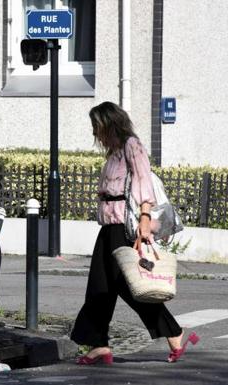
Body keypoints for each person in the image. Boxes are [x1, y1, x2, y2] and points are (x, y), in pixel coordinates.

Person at [70, 101, 199, 365]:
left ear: (109, 123)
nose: (95, 133)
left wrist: (144, 218)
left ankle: (173, 331)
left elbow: (142, 181)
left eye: (97, 127)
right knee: (99, 286)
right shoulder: (114, 153)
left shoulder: (132, 145)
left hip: (124, 227)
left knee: (130, 286)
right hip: (108, 227)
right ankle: (99, 345)